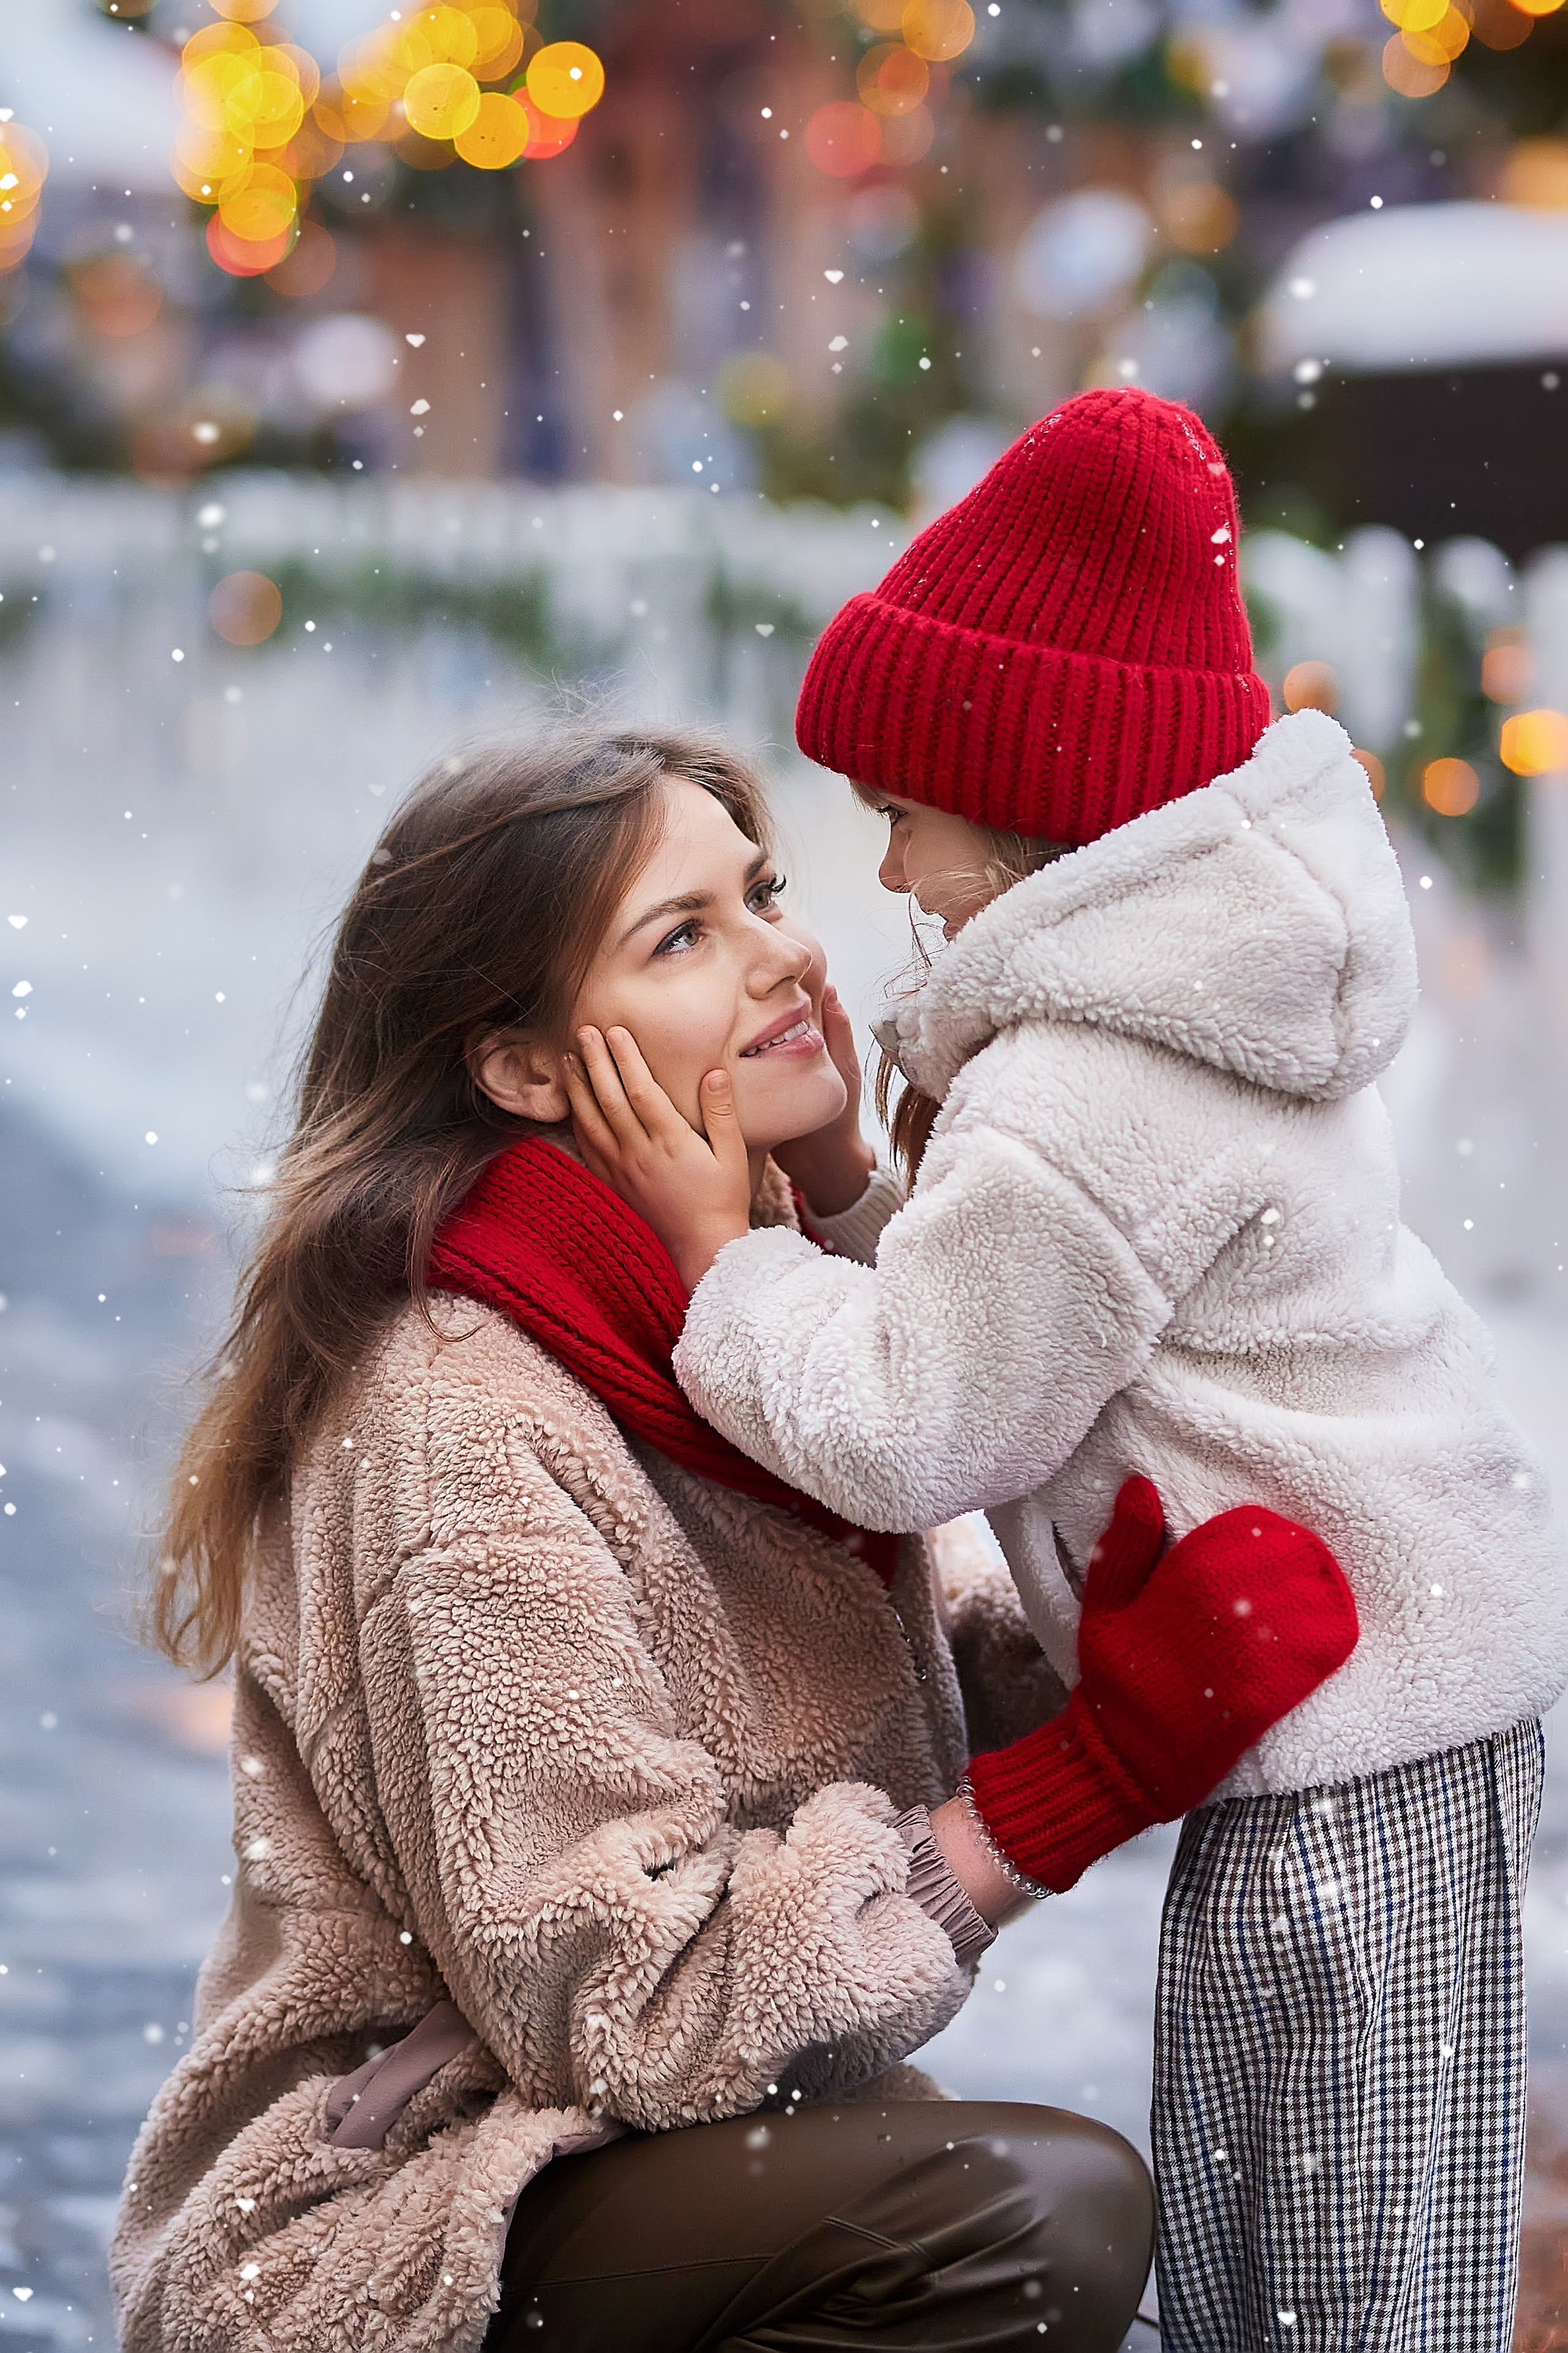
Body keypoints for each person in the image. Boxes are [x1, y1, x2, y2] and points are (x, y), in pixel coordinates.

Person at [111, 728, 1357, 2353]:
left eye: (760, 891)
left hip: (614, 2164)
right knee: (1032, 2222)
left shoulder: (688, 1309)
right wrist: (1076, 1787)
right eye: (683, 934)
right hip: (402, 2225)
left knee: (1042, 2228)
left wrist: (1081, 1663)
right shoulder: (459, 1408)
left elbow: (861, 1640)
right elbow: (637, 2000)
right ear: (526, 1069)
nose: (789, 948)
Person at [562, 392, 1568, 2352]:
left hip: (1355, 1707)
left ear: (1026, 805)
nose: (888, 863)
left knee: (1335, 2249)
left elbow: (910, 1421)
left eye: (903, 813)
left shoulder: (1088, 1088)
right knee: (1289, 2183)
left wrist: (724, 1256)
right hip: (1358, 1670)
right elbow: (1019, 1314)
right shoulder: (1167, 1002)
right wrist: (855, 1182)